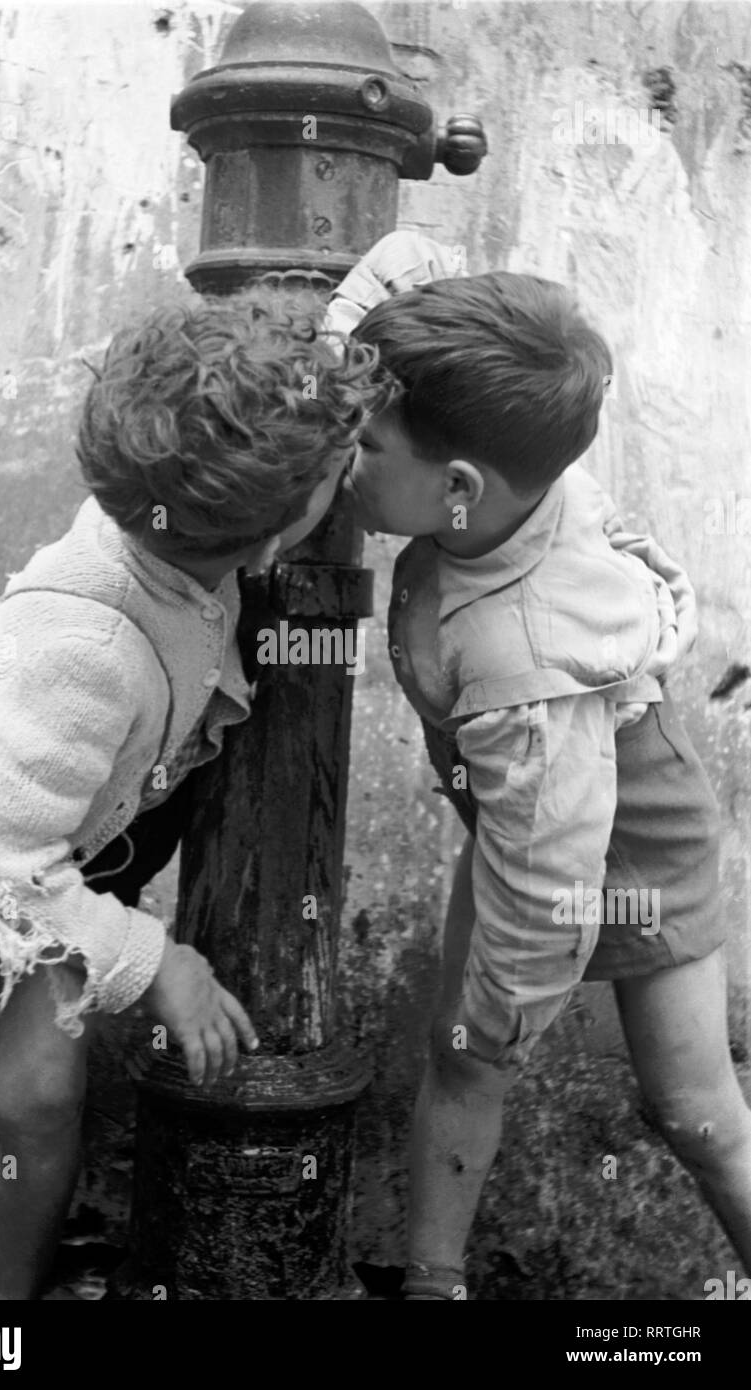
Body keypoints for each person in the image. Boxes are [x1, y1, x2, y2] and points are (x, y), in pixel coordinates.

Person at [0, 285, 384, 1300]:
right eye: (336, 475)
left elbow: (279, 407)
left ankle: (4, 1310)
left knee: (41, 1095)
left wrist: (380, 282)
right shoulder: (89, 648)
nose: (350, 475)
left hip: (81, 842)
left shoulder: (183, 500)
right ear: (278, 536)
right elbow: (8, 870)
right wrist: (159, 964)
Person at [330, 233, 751, 1299]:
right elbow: (414, 261)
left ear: (458, 485)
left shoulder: (523, 657)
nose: (341, 457)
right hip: (525, 822)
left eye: (361, 444)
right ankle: (432, 1282)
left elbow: (548, 891)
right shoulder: (510, 441)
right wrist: (343, 359)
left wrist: (503, 1014)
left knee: (691, 1110)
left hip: (616, 851)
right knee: (455, 1050)